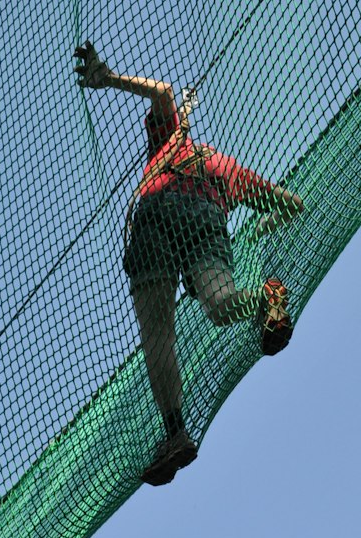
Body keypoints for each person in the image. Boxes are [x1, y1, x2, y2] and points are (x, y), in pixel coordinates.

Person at [74, 41, 304, 486]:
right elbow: (291, 203)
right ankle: (265, 299)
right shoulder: (228, 168)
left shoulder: (167, 140)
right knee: (220, 305)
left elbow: (162, 92)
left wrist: (105, 78)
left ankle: (175, 432)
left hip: (157, 217)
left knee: (158, 332)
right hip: (205, 221)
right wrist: (263, 225)